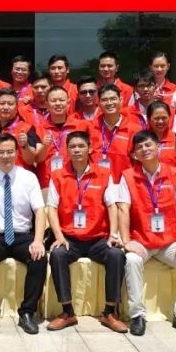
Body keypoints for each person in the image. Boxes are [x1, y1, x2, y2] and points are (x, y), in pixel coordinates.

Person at [116, 130, 176, 336]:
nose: (144, 149)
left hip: (168, 242)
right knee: (132, 260)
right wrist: (126, 241)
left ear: (158, 147)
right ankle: (137, 315)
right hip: (141, 241)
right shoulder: (128, 176)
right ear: (135, 154)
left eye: (148, 145)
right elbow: (123, 209)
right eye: (139, 147)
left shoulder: (175, 174)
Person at [45, 131, 126, 332]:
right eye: (72, 146)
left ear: (90, 148)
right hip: (70, 238)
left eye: (81, 146)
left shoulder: (104, 174)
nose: (77, 150)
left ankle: (109, 312)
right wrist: (59, 237)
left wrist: (113, 235)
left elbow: (112, 206)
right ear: (67, 150)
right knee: (57, 254)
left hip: (98, 238)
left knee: (116, 255)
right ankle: (67, 312)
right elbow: (51, 208)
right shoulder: (58, 175)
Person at [0, 133, 47, 335]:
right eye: (1, 152)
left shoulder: (28, 178)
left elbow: (40, 210)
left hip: (22, 235)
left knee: (39, 258)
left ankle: (27, 312)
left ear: (16, 152)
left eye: (10, 152)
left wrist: (38, 241)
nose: (6, 156)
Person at [35, 85, 90, 189]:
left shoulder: (82, 126)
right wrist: (44, 147)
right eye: (53, 101)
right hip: (46, 183)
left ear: (68, 103)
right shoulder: (37, 129)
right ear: (46, 104)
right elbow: (36, 159)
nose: (58, 103)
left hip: (74, 182)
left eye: (61, 100)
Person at [0, 88, 41, 171]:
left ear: (16, 107)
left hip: (18, 177)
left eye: (10, 104)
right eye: (2, 103)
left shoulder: (26, 128)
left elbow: (30, 161)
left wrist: (25, 145)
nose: (6, 107)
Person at [89, 84, 138, 181]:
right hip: (95, 183)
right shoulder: (90, 127)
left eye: (113, 99)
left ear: (121, 100)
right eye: (104, 100)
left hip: (123, 183)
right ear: (98, 103)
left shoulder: (134, 129)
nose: (109, 103)